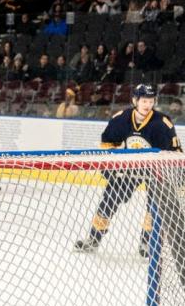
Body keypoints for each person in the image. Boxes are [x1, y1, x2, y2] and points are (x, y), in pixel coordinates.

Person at [75, 84, 182, 257]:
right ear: (135, 101)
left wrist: (171, 175)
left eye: (151, 101)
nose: (148, 105)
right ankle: (94, 238)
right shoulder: (121, 119)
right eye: (144, 101)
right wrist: (110, 168)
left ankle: (147, 242)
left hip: (156, 170)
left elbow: (175, 153)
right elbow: (107, 145)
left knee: (154, 206)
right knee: (109, 199)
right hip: (128, 168)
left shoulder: (162, 124)